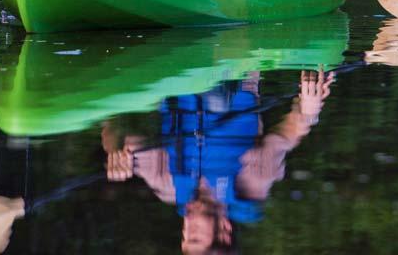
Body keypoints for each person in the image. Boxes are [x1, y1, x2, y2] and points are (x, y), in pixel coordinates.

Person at [103, 70, 336, 255]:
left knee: (209, 95)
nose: (186, 228)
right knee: (217, 100)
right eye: (195, 237)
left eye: (185, 238)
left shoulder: (167, 185)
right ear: (224, 231)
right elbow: (289, 133)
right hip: (237, 70)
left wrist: (114, 153)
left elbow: (113, 127)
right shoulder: (251, 184)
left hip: (176, 74)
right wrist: (308, 111)